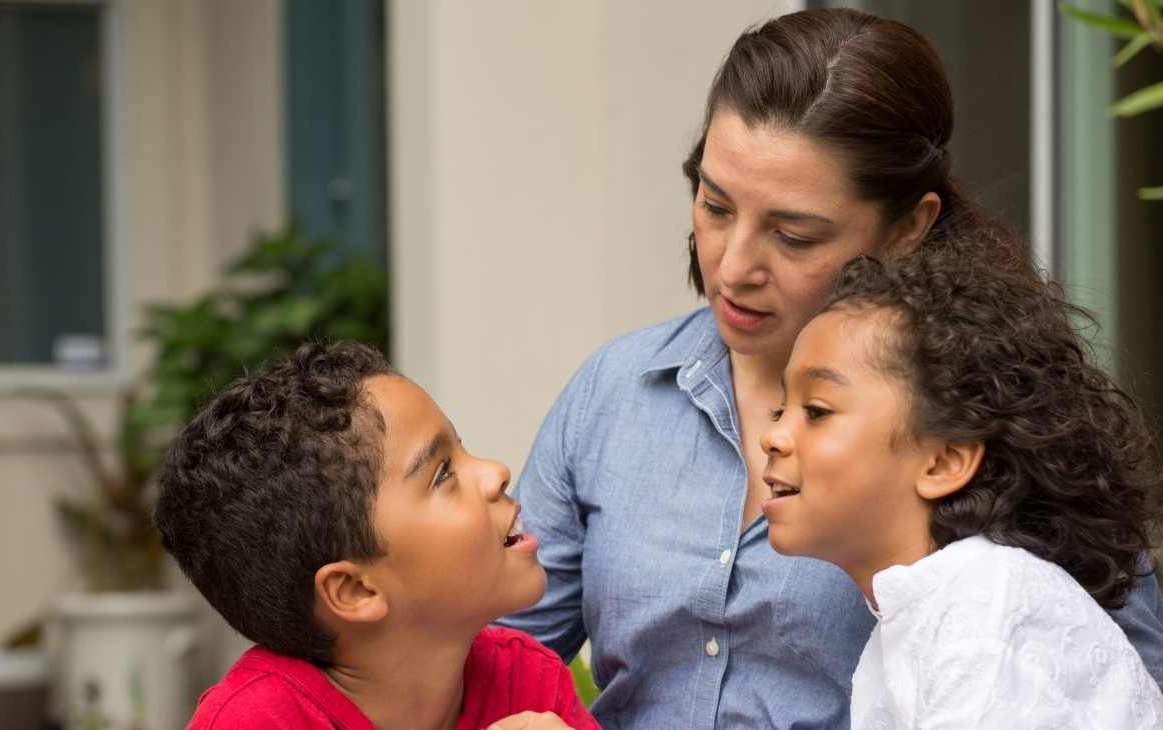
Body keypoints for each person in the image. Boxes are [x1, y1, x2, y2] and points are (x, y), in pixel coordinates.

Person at [495, 7, 1163, 728]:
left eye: (793, 234)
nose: (734, 265)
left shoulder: (987, 419)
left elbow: (1117, 682)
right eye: (715, 206)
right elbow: (493, 653)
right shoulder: (613, 393)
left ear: (909, 227)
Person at [760, 251, 1163, 728]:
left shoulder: (993, 607)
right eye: (779, 411)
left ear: (944, 461)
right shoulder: (927, 614)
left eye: (818, 411)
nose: (773, 436)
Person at [154, 342, 598, 730]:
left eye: (462, 447)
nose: (496, 472)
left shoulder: (526, 679)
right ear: (355, 590)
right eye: (443, 473)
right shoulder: (255, 721)